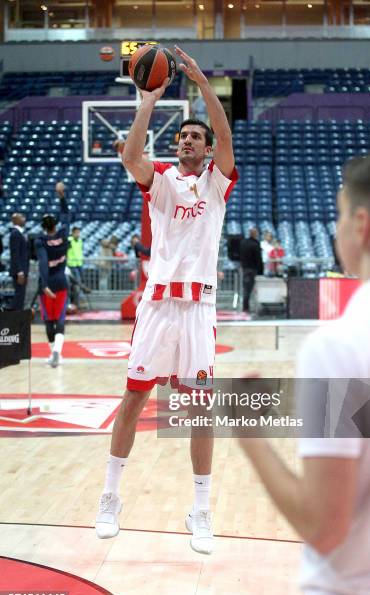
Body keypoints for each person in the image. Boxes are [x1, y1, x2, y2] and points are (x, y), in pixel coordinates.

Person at [240, 151, 370, 595]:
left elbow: (324, 527)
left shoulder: (340, 345)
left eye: (338, 215)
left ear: (363, 227)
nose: (335, 229)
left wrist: (250, 434)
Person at [95, 45, 237, 555]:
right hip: (157, 305)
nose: (186, 143)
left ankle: (200, 509)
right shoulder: (161, 182)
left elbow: (224, 134)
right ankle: (110, 497)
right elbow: (131, 156)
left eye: (192, 138)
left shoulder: (218, 184)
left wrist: (201, 82)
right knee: (134, 398)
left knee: (199, 409)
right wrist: (149, 100)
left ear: (205, 148)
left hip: (198, 308)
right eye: (182, 137)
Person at [35, 181, 70, 368]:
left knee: (49, 320)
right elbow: (66, 216)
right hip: (62, 282)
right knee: (61, 319)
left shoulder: (40, 241)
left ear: (43, 226)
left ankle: (52, 354)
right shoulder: (63, 234)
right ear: (55, 225)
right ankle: (57, 351)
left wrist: (45, 285)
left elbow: (42, 263)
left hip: (47, 284)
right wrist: (62, 197)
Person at [239, 227, 263, 312]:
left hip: (245, 269)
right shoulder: (255, 244)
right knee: (249, 289)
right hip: (252, 270)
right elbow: (258, 259)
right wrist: (260, 271)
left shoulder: (243, 242)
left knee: (247, 289)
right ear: (255, 234)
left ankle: (246, 308)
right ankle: (246, 308)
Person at [9, 212, 29, 310]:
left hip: (21, 270)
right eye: (21, 217)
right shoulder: (15, 234)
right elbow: (15, 254)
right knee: (19, 296)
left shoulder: (19, 233)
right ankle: (14, 319)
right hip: (19, 271)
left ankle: (17, 319)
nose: (24, 219)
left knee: (21, 296)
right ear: (15, 220)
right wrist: (20, 271)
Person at [67, 226, 84, 308]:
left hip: (79, 264)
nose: (78, 234)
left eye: (79, 232)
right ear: (72, 233)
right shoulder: (69, 240)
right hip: (72, 264)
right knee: (77, 283)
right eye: (76, 232)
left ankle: (77, 302)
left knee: (78, 283)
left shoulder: (80, 240)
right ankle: (76, 302)